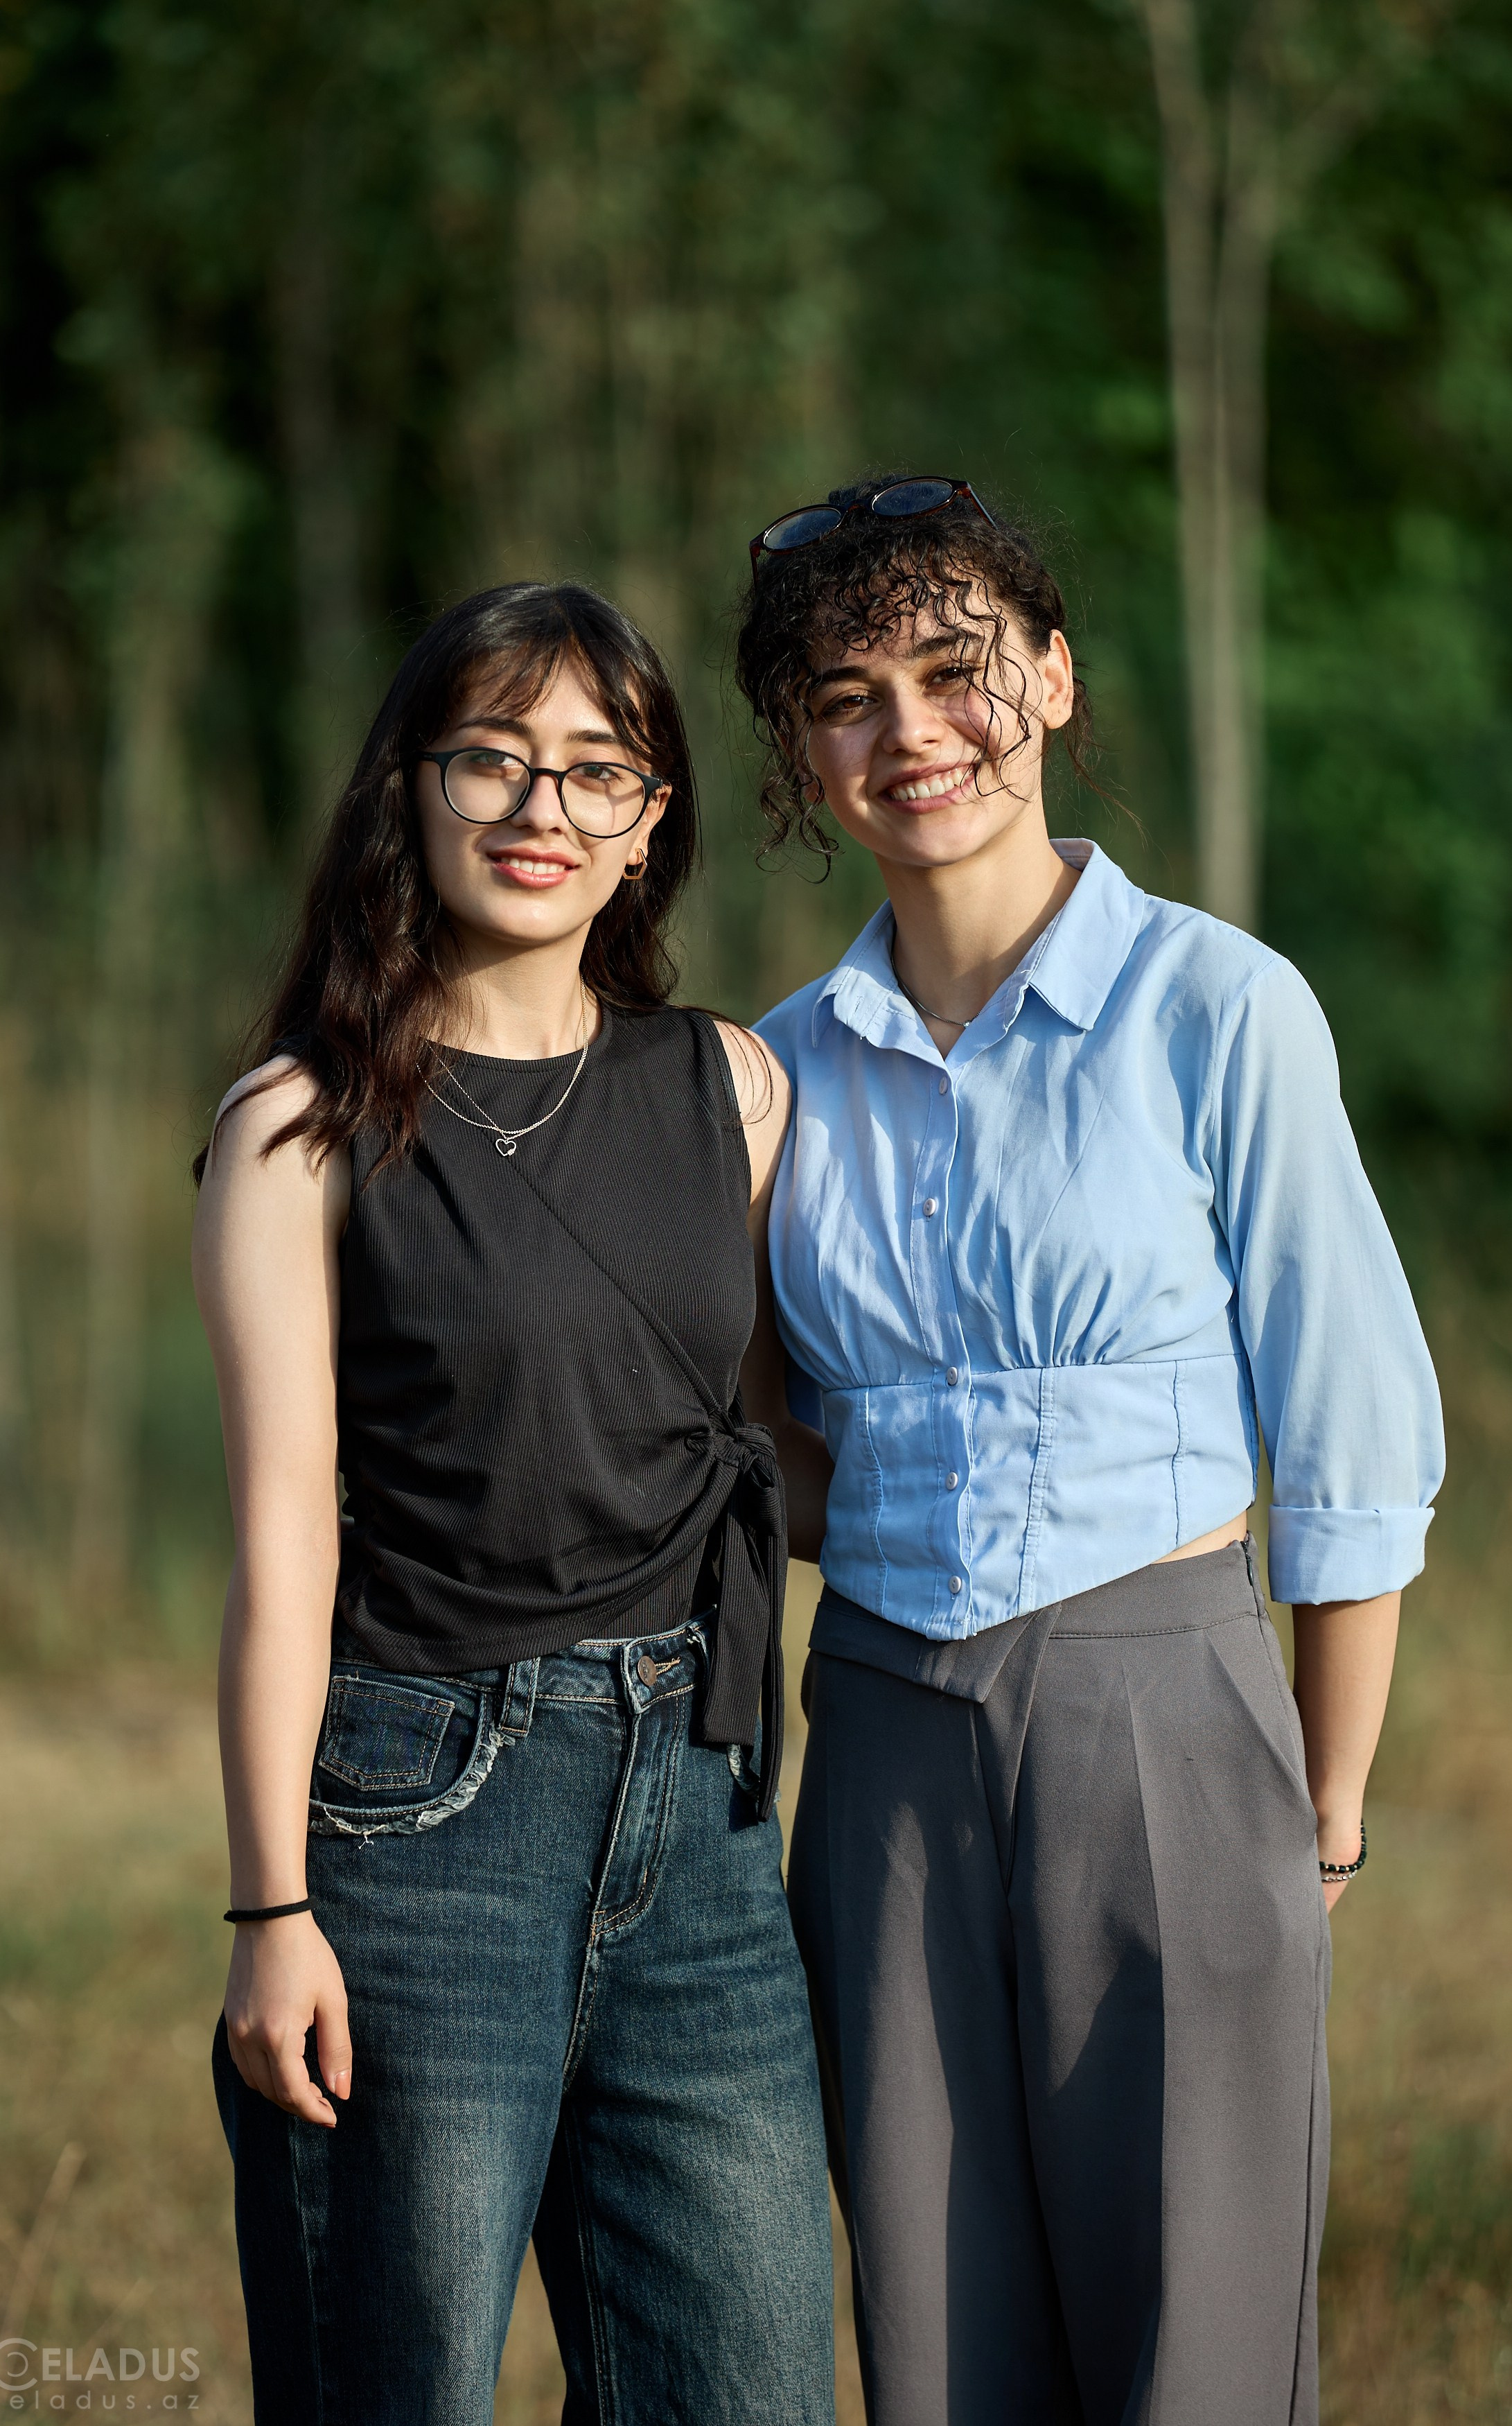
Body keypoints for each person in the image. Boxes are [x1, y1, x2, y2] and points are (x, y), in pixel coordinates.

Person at [735, 475, 1445, 2426]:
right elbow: (781, 1452)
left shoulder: (1218, 1006)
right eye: (848, 696)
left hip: (1173, 1723)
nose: (911, 732)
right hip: (881, 1742)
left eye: (954, 669)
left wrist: (1325, 1804)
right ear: (804, 752)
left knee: (1194, 2340)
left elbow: (1353, 1430)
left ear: (1049, 676)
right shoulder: (780, 1071)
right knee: (939, 2335)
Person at [192, 582, 834, 2426]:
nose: (542, 807)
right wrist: (272, 1908)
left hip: (702, 1816)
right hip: (422, 1817)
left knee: (747, 2389)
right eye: (492, 758)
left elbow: (765, 1454)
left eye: (596, 769)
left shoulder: (735, 1088)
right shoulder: (301, 1125)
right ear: (410, 788)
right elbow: (284, 1544)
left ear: (650, 822)